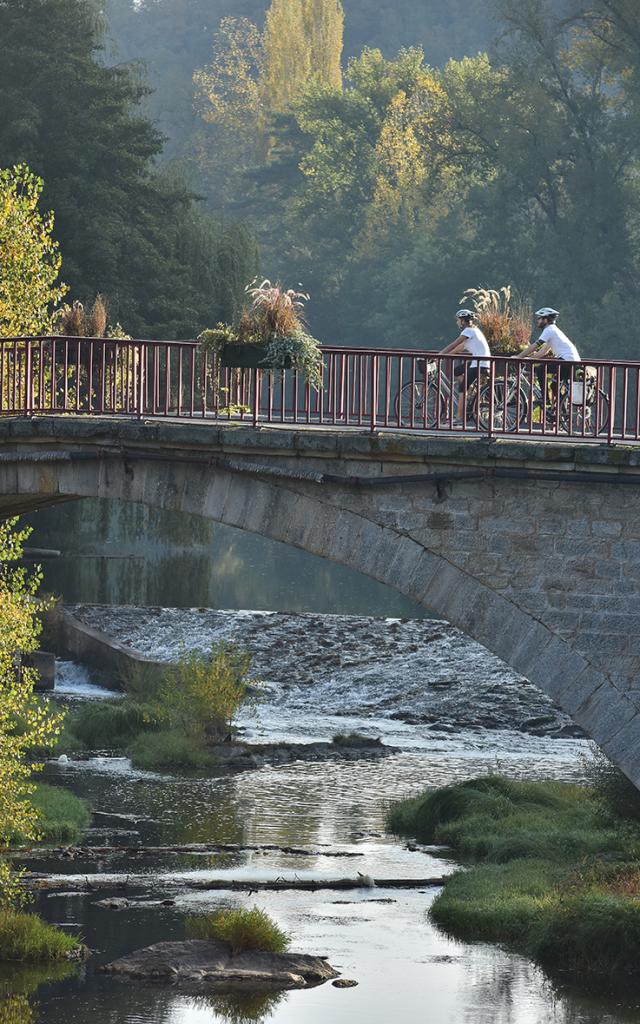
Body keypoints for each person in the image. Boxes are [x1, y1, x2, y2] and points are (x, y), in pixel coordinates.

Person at [438, 309, 491, 422]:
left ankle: (459, 417)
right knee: (456, 371)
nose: (457, 323)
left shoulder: (468, 331)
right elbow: (460, 348)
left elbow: (454, 343)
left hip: (479, 363)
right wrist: (446, 355)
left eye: (458, 320)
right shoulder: (473, 331)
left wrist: (440, 354)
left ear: (463, 321)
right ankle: (468, 389)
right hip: (479, 362)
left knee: (462, 388)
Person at [519, 308, 581, 404]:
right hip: (571, 361)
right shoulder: (553, 330)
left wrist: (519, 356)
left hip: (567, 361)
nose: (538, 321)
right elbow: (543, 351)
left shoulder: (549, 330)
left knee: (541, 369)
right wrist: (530, 359)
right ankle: (561, 411)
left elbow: (536, 345)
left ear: (546, 319)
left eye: (539, 318)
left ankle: (545, 399)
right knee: (554, 386)